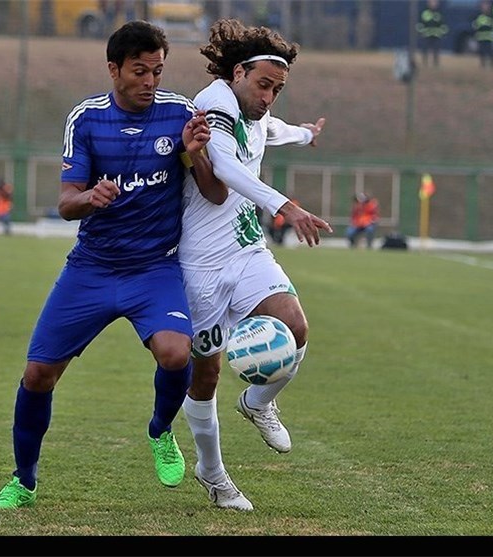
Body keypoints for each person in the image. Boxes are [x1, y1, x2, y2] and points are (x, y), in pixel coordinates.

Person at [0, 20, 221, 509]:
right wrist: (91, 196)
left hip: (155, 269)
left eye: (157, 71)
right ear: (114, 69)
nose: (150, 81)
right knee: (38, 376)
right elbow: (65, 203)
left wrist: (197, 155)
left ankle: (160, 432)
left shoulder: (180, 113)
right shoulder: (86, 119)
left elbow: (215, 193)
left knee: (178, 354)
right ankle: (23, 481)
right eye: (140, 71)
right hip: (91, 268)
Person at [178, 18, 333, 511]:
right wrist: (285, 206)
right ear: (239, 72)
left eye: (278, 89)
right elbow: (221, 167)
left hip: (247, 251)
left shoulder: (257, 112)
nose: (269, 97)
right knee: (205, 375)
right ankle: (213, 473)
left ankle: (257, 404)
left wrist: (307, 134)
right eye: (264, 85)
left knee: (295, 327)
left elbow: (275, 129)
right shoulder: (215, 103)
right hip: (200, 265)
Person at [416, 0, 449, 68]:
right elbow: (420, 24)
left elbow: (443, 24)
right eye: (432, 2)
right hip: (426, 35)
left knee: (436, 50)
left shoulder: (439, 13)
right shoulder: (424, 13)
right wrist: (420, 32)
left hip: (436, 35)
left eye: (435, 2)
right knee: (425, 49)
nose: (434, 4)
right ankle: (424, 63)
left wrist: (444, 33)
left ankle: (435, 64)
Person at [473, 1, 493, 69]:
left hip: (489, 37)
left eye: (487, 5)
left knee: (490, 51)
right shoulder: (478, 15)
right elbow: (475, 26)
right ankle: (483, 64)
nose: (485, 7)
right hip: (480, 37)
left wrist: (486, 24)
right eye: (484, 5)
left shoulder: (491, 15)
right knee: (482, 51)